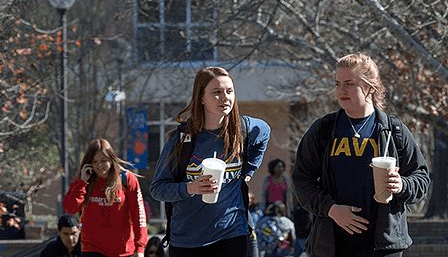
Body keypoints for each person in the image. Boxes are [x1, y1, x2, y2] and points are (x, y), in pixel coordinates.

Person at [293, 53, 430, 257]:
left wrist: (402, 185)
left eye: (349, 84)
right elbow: (302, 181)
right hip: (332, 245)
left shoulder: (394, 130)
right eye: (338, 84)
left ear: (370, 87)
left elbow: (421, 179)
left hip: (382, 245)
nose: (341, 90)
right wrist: (331, 209)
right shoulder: (323, 130)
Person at [149, 66, 271, 257]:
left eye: (229, 91)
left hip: (232, 233)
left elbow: (265, 132)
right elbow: (158, 189)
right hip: (187, 240)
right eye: (216, 92)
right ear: (201, 98)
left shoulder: (245, 129)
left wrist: (248, 172)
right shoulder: (182, 139)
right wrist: (190, 188)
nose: (225, 97)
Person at [63, 139, 148, 257]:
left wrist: (139, 248)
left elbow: (138, 215)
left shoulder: (127, 179)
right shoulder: (84, 178)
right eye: (94, 161)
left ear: (111, 159)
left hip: (122, 251)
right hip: (92, 249)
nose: (99, 165)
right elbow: (70, 209)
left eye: (103, 160)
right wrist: (82, 183)